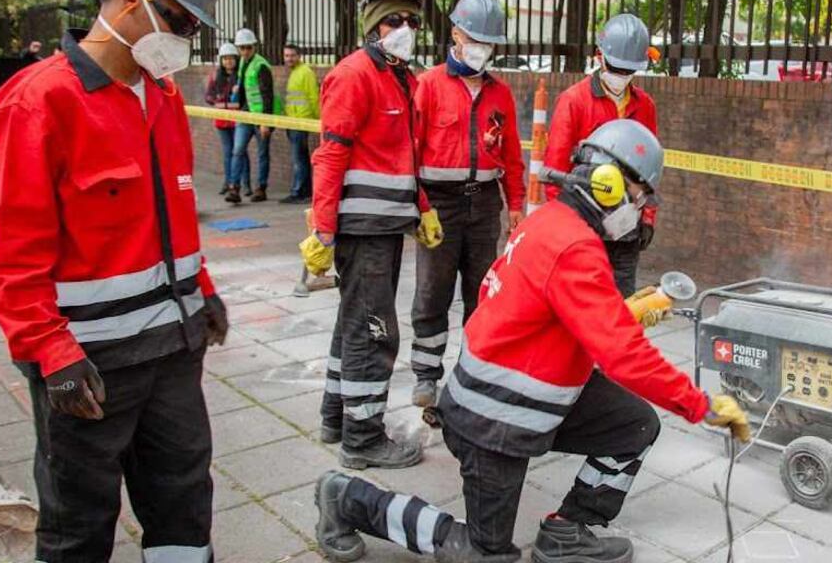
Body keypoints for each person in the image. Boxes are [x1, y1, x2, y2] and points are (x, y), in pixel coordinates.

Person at [312, 120, 749, 563]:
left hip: (523, 398)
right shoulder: (575, 246)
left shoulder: (552, 221)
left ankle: (566, 531)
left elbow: (538, 306)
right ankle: (347, 499)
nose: (638, 210)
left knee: (633, 426)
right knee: (486, 554)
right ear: (610, 183)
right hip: (493, 420)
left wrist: (619, 314)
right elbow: (624, 356)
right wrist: (700, 405)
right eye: (639, 197)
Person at [0, 0, 229, 563]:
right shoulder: (41, 103)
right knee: (79, 522)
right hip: (89, 366)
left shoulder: (162, 99)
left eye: (194, 26)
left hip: (173, 352)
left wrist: (202, 290)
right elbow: (11, 257)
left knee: (182, 502)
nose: (185, 37)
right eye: (178, 19)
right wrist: (50, 353)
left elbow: (174, 217)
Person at [309, 0, 442, 468]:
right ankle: (362, 439)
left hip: (387, 227)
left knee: (352, 323)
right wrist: (323, 230)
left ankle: (335, 417)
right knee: (374, 331)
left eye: (412, 20)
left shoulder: (401, 79)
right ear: (372, 23)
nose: (405, 29)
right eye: (393, 20)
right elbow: (331, 154)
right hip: (362, 231)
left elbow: (405, 158)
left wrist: (422, 209)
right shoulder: (354, 75)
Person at [408, 0, 524, 410]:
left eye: (488, 43)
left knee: (482, 294)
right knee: (432, 292)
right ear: (456, 34)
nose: (481, 49)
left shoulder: (500, 94)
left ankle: (472, 374)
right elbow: (410, 153)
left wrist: (516, 205)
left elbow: (512, 154)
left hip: (484, 205)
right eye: (475, 39)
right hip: (439, 206)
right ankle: (426, 374)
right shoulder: (428, 86)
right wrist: (420, 206)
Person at [544, 13, 658, 296]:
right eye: (616, 67)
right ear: (600, 56)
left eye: (627, 70)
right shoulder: (574, 101)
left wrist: (648, 218)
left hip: (626, 228)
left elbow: (649, 172)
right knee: (581, 302)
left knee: (621, 304)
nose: (621, 75)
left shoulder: (645, 107)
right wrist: (565, 228)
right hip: (583, 227)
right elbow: (555, 170)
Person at [226, 27, 278, 203]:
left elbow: (267, 95)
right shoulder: (242, 62)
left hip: (260, 116)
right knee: (237, 150)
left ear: (254, 47)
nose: (246, 51)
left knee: (262, 153)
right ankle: (234, 188)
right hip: (246, 114)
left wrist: (265, 122)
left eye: (249, 47)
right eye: (242, 48)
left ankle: (261, 189)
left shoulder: (261, 65)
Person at [206, 42, 247, 196]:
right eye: (225, 59)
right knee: (227, 152)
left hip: (237, 120)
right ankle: (228, 182)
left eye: (231, 58)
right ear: (221, 60)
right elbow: (208, 96)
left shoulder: (240, 76)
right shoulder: (216, 76)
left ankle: (244, 184)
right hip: (222, 121)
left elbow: (243, 98)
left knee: (239, 152)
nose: (228, 61)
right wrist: (219, 102)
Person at [281, 42, 320, 204]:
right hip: (293, 121)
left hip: (301, 122)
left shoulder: (305, 72)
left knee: (299, 159)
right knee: (301, 158)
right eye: (286, 56)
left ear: (299, 56)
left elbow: (314, 97)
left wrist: (319, 120)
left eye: (292, 55)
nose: (289, 58)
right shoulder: (295, 72)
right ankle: (305, 191)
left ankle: (298, 192)